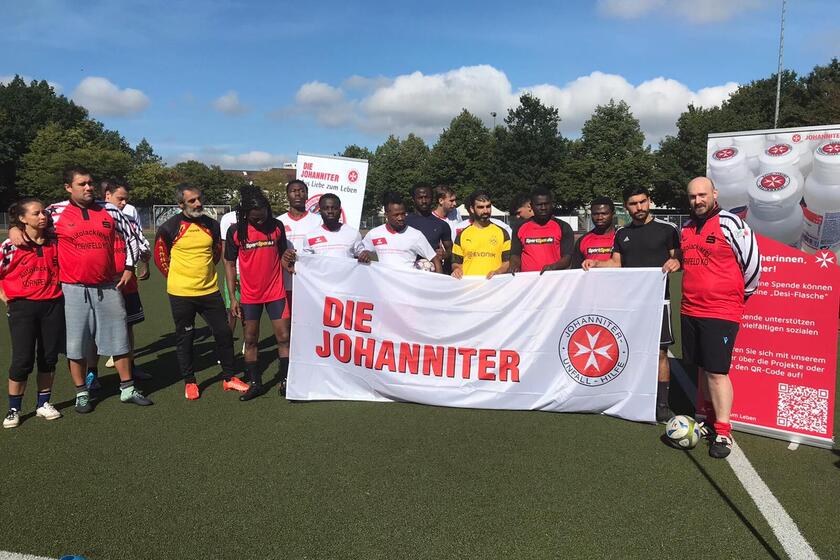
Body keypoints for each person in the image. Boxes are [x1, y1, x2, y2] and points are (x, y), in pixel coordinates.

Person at [8, 167, 152, 412]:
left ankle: (127, 388)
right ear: (68, 187)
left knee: (119, 340)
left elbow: (131, 237)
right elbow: (32, 225)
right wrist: (14, 228)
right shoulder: (55, 211)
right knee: (76, 345)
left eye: (90, 183)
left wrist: (129, 267)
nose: (88, 187)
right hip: (72, 288)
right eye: (82, 184)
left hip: (108, 286)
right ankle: (81, 393)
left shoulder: (110, 210)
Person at [582, 185, 681, 423]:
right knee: (629, 349)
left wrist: (677, 262)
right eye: (633, 204)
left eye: (642, 202)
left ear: (649, 201)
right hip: (630, 304)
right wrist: (596, 263)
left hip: (659, 301)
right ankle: (630, 396)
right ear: (626, 207)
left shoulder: (667, 229)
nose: (639, 207)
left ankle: (662, 404)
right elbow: (616, 263)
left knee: (660, 353)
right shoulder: (622, 234)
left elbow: (678, 257)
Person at [680, 177, 760, 458]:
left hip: (720, 311)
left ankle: (723, 431)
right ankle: (706, 417)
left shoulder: (730, 223)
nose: (697, 201)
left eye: (702, 195)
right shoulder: (687, 227)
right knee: (702, 367)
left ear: (714, 193)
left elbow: (752, 264)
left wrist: (735, 297)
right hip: (690, 308)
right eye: (692, 196)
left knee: (716, 371)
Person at [154, 184, 246, 400]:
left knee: (224, 333)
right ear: (181, 205)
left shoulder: (212, 225)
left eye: (199, 199)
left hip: (209, 291)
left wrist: (203, 275)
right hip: (181, 293)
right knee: (186, 337)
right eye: (192, 201)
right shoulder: (169, 227)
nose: (198, 203)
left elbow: (216, 252)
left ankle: (229, 377)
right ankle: (190, 381)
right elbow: (160, 258)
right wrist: (178, 279)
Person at [1, 199, 64, 428]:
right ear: (22, 218)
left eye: (44, 212)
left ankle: (43, 403)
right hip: (23, 307)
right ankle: (14, 409)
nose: (42, 216)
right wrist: (5, 296)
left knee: (48, 357)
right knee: (22, 359)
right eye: (36, 213)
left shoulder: (55, 241)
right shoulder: (11, 244)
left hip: (52, 304)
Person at [224, 186, 290, 401]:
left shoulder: (277, 226)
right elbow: (229, 263)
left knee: (284, 337)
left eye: (263, 215)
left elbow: (282, 255)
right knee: (250, 339)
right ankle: (255, 384)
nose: (261, 221)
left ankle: (286, 381)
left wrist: (289, 260)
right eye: (255, 218)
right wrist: (233, 297)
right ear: (245, 214)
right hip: (250, 296)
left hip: (276, 292)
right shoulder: (236, 231)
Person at [86, 179, 153, 389]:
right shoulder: (93, 219)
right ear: (107, 196)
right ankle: (91, 373)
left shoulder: (129, 220)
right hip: (102, 285)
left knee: (128, 327)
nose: (123, 203)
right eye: (120, 198)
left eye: (126, 199)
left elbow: (140, 245)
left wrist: (145, 256)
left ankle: (130, 368)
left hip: (128, 284)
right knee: (95, 330)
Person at [275, 179, 322, 393]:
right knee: (286, 333)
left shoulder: (317, 221)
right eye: (293, 191)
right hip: (284, 285)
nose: (297, 194)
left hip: (310, 286)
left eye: (301, 191)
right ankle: (289, 374)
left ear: (307, 194)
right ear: (288, 195)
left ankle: (312, 370)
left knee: (310, 329)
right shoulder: (278, 222)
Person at [360, 191, 441, 272]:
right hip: (383, 279)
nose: (401, 218)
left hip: (407, 279)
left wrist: (440, 279)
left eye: (403, 214)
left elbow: (434, 259)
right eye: (396, 215)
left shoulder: (416, 235)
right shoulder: (374, 234)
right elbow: (362, 252)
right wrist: (366, 253)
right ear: (386, 215)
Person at [509, 187, 574, 274]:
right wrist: (514, 265)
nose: (543, 208)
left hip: (554, 279)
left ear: (552, 204)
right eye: (539, 205)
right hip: (528, 280)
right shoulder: (519, 228)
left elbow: (567, 258)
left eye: (546, 204)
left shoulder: (563, 227)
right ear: (531, 206)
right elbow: (515, 254)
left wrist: (553, 267)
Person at [451, 190, 511, 279]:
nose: (485, 211)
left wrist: (498, 272)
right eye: (481, 207)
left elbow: (507, 262)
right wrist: (457, 269)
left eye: (488, 206)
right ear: (472, 209)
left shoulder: (502, 233)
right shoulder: (462, 234)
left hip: (493, 284)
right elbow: (456, 262)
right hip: (469, 285)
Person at [300, 194, 364, 258]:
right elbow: (305, 261)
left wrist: (365, 255)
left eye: (334, 208)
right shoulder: (310, 237)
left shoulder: (353, 233)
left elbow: (361, 258)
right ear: (320, 211)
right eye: (326, 208)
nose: (330, 211)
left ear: (340, 211)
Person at [406, 183, 452, 272]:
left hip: (433, 272)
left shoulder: (441, 225)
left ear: (432, 199)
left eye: (427, 197)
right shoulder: (405, 222)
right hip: (408, 273)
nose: (424, 201)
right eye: (420, 197)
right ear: (413, 199)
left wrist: (445, 254)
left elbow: (451, 251)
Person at [572, 197, 617, 269]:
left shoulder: (622, 237)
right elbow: (576, 271)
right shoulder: (582, 240)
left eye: (604, 214)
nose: (600, 217)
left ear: (613, 214)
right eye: (595, 214)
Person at [219, 208, 240, 335]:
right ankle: (228, 342)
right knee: (231, 309)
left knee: (250, 311)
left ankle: (248, 342)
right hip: (233, 270)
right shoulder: (228, 218)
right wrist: (230, 273)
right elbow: (224, 248)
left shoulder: (259, 216)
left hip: (252, 272)